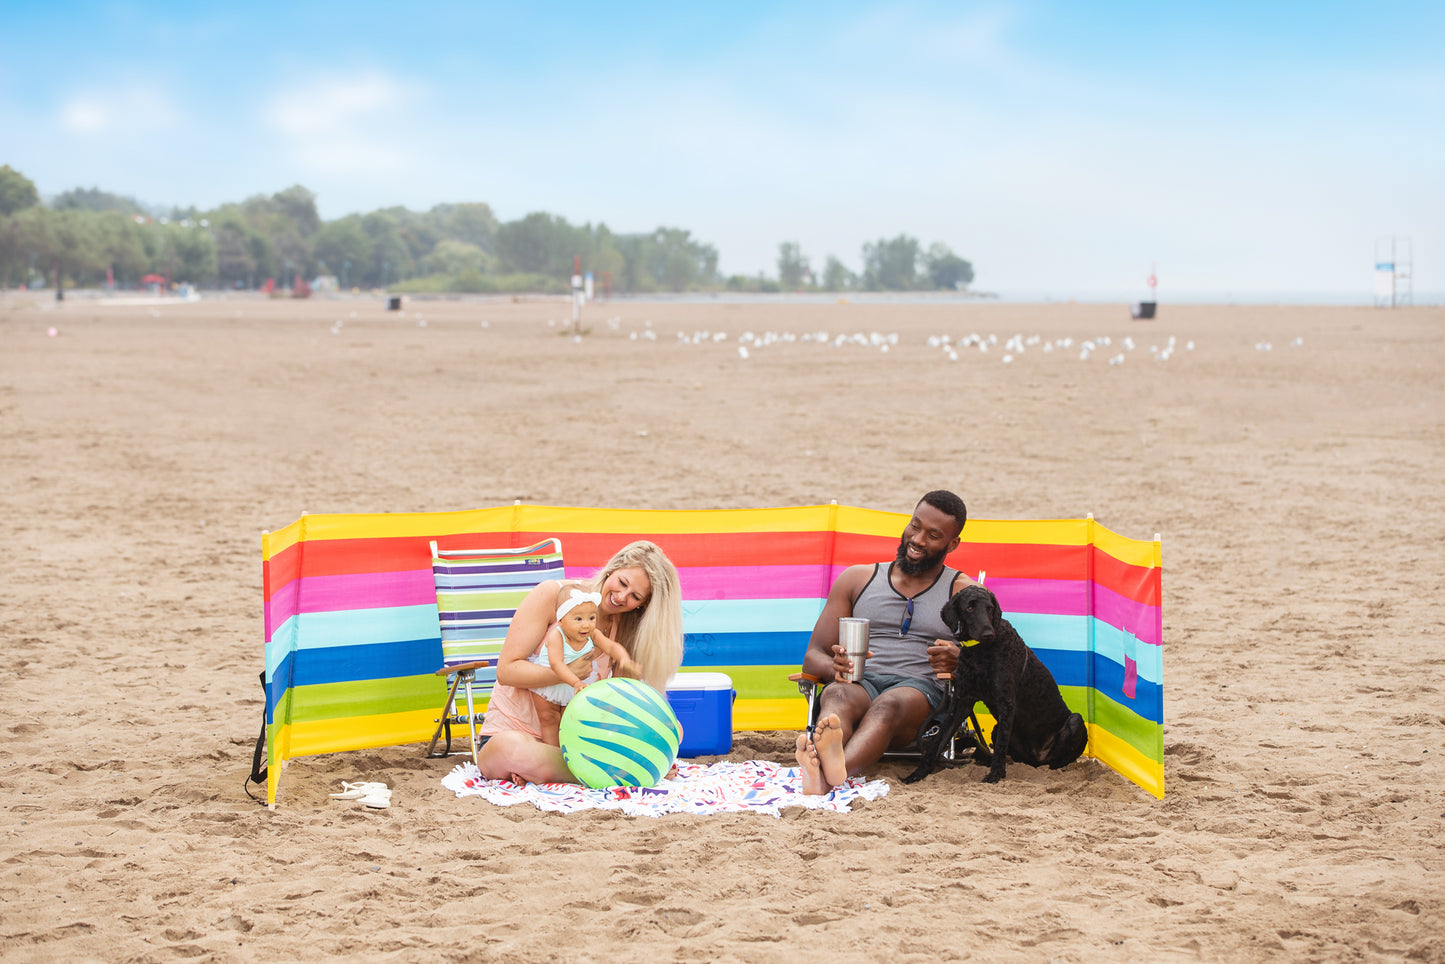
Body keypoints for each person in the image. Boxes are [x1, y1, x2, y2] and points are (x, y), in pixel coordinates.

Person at [794, 490, 975, 795]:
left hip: (920, 691)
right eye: (915, 526)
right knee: (837, 696)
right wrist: (833, 666)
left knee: (888, 704)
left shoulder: (963, 592)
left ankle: (824, 777)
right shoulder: (857, 580)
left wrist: (961, 659)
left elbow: (993, 662)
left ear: (952, 544)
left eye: (933, 535)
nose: (918, 539)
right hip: (861, 681)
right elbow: (813, 656)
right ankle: (829, 763)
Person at [474, 540, 683, 784]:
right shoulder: (553, 594)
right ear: (613, 569)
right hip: (515, 734)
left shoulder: (623, 631)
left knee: (674, 729)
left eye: (635, 596)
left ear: (643, 604)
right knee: (512, 750)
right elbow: (506, 671)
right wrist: (566, 673)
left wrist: (651, 745)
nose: (621, 596)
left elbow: (622, 708)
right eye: (622, 582)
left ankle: (558, 770)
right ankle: (613, 773)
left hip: (576, 745)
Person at [528, 586, 641, 746]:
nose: (586, 625)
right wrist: (575, 682)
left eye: (591, 618)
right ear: (561, 620)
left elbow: (610, 646)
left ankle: (568, 752)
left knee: (571, 718)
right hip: (551, 682)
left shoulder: (592, 634)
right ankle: (552, 752)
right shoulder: (557, 636)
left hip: (578, 682)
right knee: (549, 718)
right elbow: (556, 664)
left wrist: (624, 659)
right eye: (578, 619)